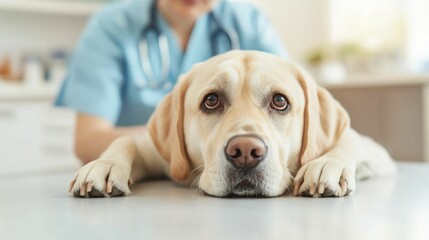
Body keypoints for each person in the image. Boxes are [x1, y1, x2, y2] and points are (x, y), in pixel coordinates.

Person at [55, 0, 288, 164]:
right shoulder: (112, 25)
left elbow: (294, 109)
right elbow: (87, 142)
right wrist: (174, 141)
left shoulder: (249, 23)